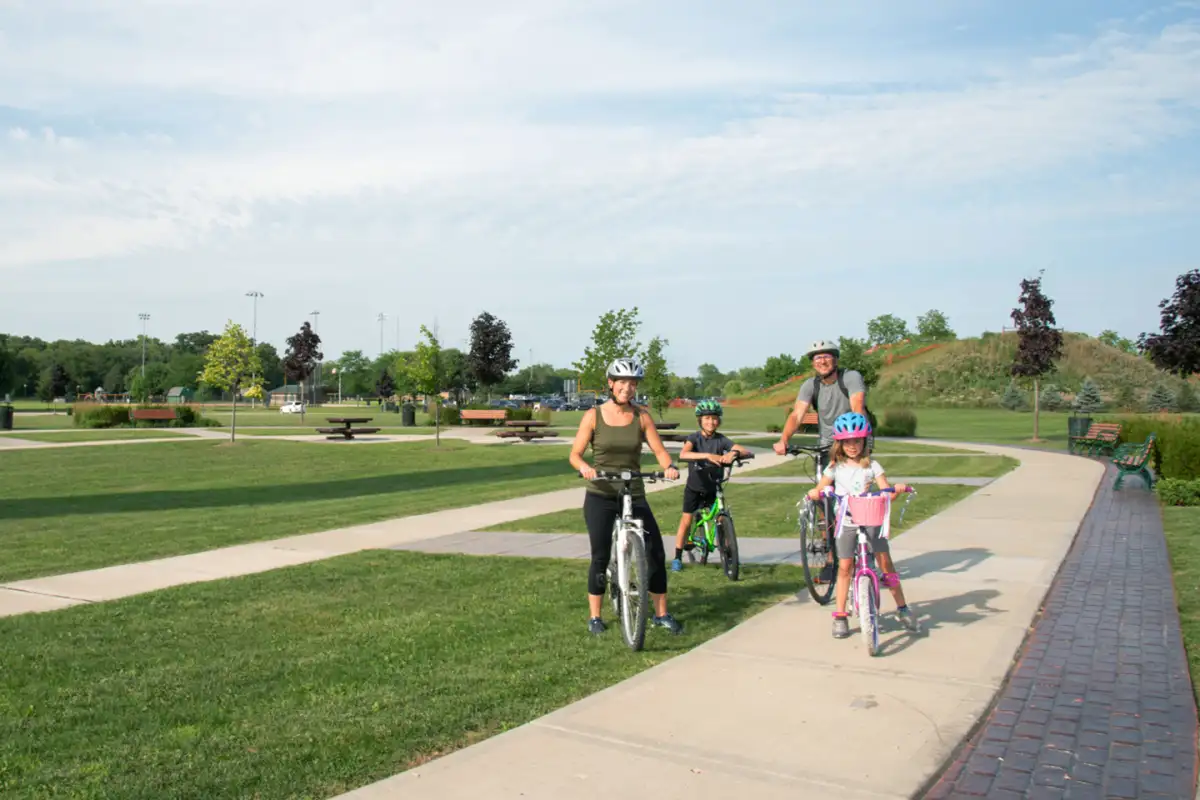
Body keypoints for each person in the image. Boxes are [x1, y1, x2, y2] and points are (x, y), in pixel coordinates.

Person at [568, 357, 684, 636]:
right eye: (622, 382)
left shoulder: (642, 416)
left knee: (655, 551)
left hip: (633, 493)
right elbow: (575, 454)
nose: (628, 388)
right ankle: (595, 616)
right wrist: (585, 467)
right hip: (601, 492)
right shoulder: (593, 416)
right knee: (598, 556)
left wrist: (668, 466)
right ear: (611, 384)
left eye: (632, 384)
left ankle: (661, 614)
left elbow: (658, 450)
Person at [807, 412, 920, 639]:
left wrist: (893, 491)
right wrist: (816, 492)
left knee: (885, 563)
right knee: (845, 567)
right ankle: (840, 616)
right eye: (847, 441)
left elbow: (885, 489)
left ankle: (902, 607)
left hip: (870, 519)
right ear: (839, 443)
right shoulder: (835, 468)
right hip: (846, 522)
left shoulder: (872, 466)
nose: (852, 446)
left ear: (865, 442)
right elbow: (820, 487)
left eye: (857, 440)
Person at [773, 338, 868, 583]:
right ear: (813, 363)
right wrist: (784, 439)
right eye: (817, 358)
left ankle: (864, 553)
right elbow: (798, 413)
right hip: (826, 445)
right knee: (823, 499)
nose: (822, 361)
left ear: (835, 359)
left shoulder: (850, 377)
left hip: (853, 442)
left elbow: (857, 405)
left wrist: (855, 440)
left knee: (856, 497)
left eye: (826, 356)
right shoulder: (809, 385)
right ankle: (830, 559)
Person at [671, 399, 751, 571]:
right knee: (686, 519)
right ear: (700, 420)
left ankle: (731, 553)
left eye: (714, 418)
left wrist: (734, 453)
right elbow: (684, 454)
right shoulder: (694, 438)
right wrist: (707, 456)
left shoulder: (721, 440)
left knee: (722, 516)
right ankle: (677, 556)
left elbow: (744, 450)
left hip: (714, 486)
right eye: (707, 418)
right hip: (694, 486)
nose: (711, 422)